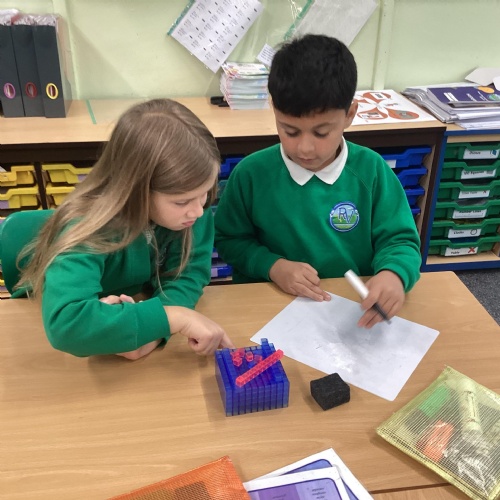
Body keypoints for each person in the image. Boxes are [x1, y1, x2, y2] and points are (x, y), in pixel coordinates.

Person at [214, 34, 421, 329]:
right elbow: (229, 240)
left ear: (350, 114)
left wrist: (394, 274)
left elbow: (400, 240)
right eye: (290, 131)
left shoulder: (371, 171)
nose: (305, 148)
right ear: (273, 108)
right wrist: (273, 266)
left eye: (321, 133)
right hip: (272, 307)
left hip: (352, 312)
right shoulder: (251, 174)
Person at [16, 98, 234, 359]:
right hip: (35, 327)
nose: (198, 211)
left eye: (205, 193)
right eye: (181, 202)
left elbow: (188, 275)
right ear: (135, 190)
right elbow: (67, 324)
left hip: (121, 314)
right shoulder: (87, 225)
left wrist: (154, 328)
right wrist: (172, 319)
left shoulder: (193, 208)